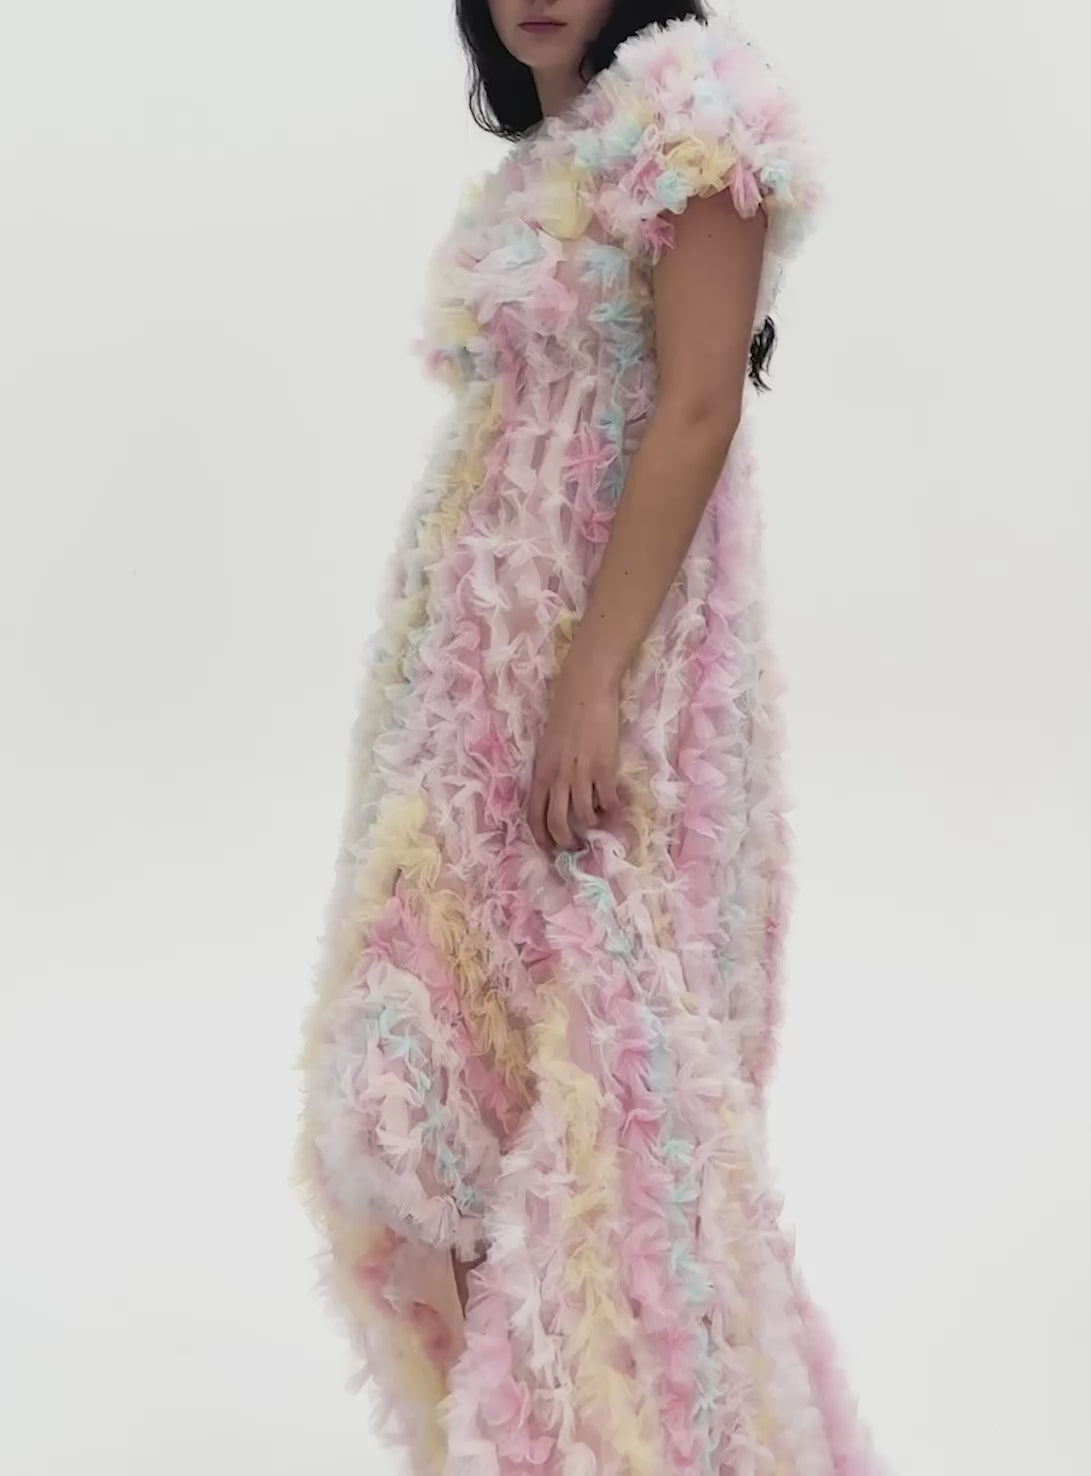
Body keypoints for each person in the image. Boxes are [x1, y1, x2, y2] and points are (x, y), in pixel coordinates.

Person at [297, 4, 887, 1474]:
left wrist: (593, 679)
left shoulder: (698, 118)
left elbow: (695, 410)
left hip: (625, 687)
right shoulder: (547, 157)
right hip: (473, 698)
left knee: (607, 1109)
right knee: (430, 1077)